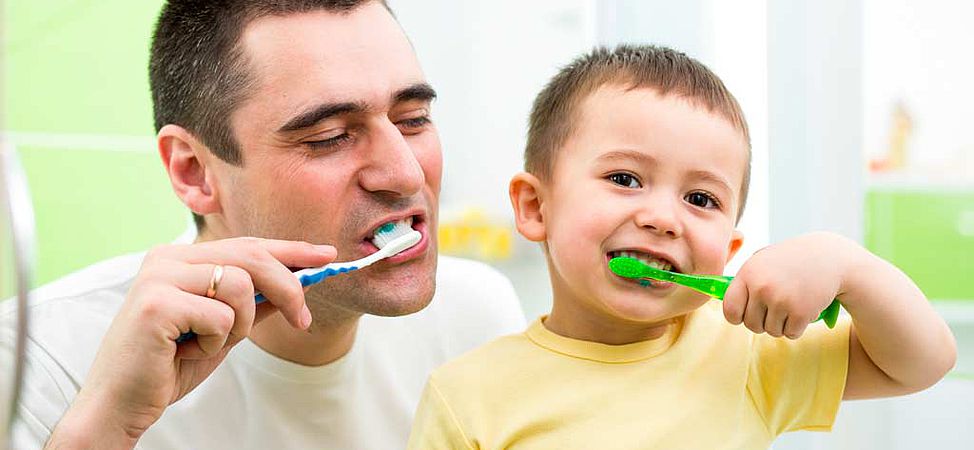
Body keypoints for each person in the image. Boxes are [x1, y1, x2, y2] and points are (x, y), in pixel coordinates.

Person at [0, 1, 526, 449]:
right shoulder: (39, 364)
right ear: (194, 171)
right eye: (329, 137)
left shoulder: (476, 320)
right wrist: (106, 427)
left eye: (413, 120)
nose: (406, 172)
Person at [407, 45, 957, 449]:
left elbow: (922, 363)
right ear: (534, 207)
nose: (662, 218)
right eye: (624, 179)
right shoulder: (467, 397)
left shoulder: (746, 354)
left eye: (700, 198)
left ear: (729, 248)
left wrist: (848, 266)